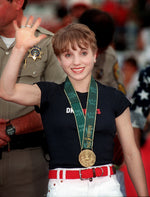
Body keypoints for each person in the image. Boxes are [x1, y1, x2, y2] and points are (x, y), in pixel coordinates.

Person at [0, 16, 148, 197]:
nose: (76, 62)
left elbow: (131, 153)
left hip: (107, 186)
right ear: (59, 60)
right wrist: (19, 48)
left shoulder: (115, 98)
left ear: (95, 55)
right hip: (64, 187)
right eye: (68, 55)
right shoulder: (48, 94)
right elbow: (7, 91)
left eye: (83, 53)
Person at [0, 1, 66, 197]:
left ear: (18, 2)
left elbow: (62, 106)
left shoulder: (48, 43)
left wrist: (10, 128)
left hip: (28, 164)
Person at [79, 9, 126, 95]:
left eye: (100, 51)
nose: (96, 57)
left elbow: (120, 97)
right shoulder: (59, 54)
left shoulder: (109, 56)